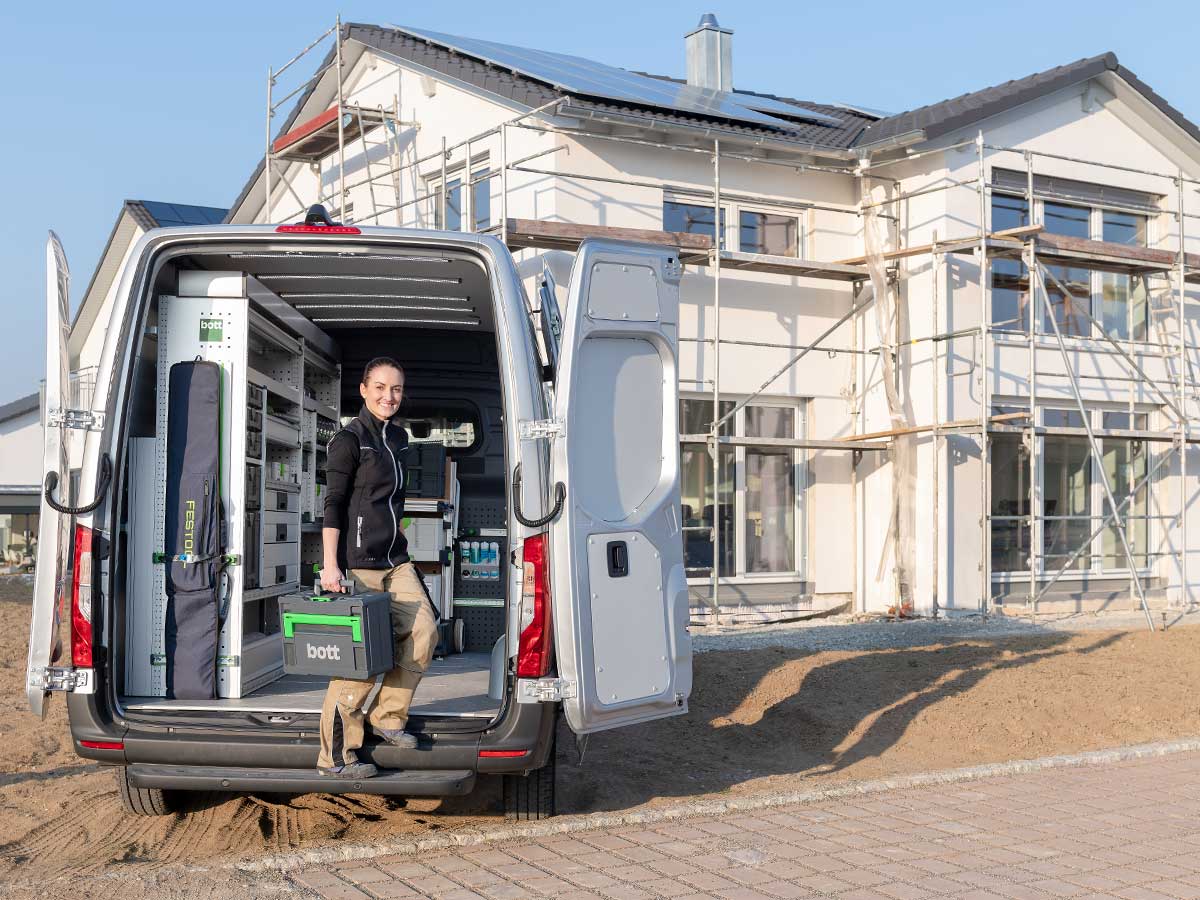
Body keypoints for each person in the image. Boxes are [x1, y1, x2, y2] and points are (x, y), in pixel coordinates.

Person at [315, 356, 439, 778]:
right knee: (362, 659)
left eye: (397, 389)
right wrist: (330, 566)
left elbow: (392, 503)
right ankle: (335, 755)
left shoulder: (399, 439)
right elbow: (332, 506)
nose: (390, 396)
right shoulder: (348, 440)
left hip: (395, 560)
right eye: (381, 387)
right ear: (364, 390)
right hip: (358, 563)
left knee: (424, 631)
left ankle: (387, 718)